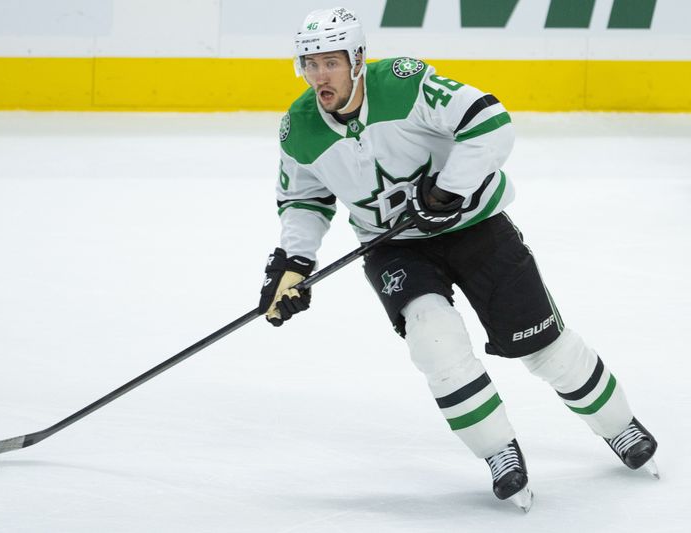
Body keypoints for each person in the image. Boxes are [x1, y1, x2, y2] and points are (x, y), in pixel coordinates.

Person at [257, 6, 659, 512]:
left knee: (543, 347)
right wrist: (293, 264)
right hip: (394, 247)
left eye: (331, 63)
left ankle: (620, 426)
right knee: (435, 342)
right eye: (311, 64)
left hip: (475, 227)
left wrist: (448, 190)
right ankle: (498, 452)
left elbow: (490, 121)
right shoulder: (298, 128)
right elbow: (304, 199)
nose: (320, 76)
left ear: (357, 60)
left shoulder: (404, 84)